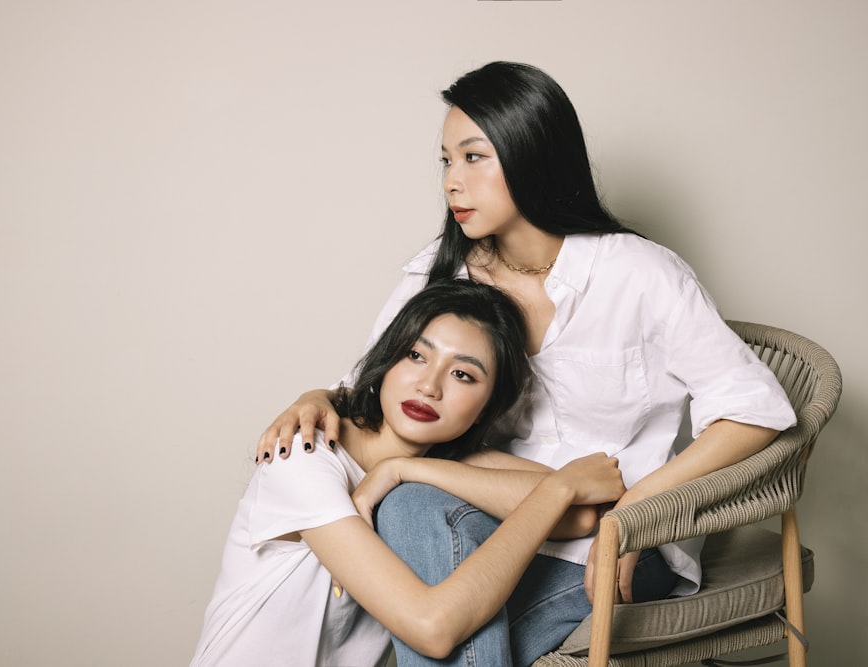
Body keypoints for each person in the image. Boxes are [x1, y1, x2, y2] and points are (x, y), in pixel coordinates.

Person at [256, 61, 798, 665]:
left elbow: (755, 411)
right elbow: (376, 387)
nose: (451, 184)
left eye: (473, 157)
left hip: (604, 537)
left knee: (445, 630)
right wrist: (314, 397)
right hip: (473, 515)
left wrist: (637, 517)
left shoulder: (638, 274)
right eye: (445, 161)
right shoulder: (440, 269)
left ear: (530, 154)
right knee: (412, 522)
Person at [191, 279, 626, 667]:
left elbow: (583, 513)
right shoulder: (304, 455)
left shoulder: (446, 462)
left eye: (463, 374)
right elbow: (432, 630)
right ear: (388, 362)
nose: (429, 385)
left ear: (485, 411)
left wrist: (405, 468)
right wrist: (559, 488)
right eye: (416, 355)